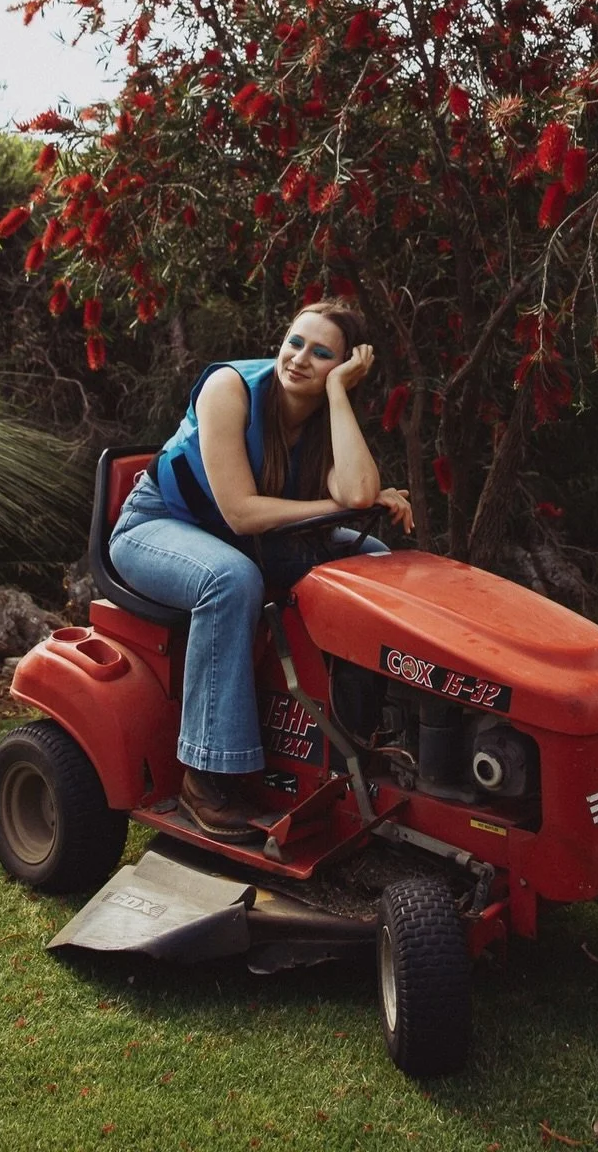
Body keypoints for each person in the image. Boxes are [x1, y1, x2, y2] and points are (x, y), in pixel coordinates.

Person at [108, 302, 414, 840]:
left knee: (375, 562)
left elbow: (359, 493)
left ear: (344, 368)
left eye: (322, 354)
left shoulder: (326, 414)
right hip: (157, 525)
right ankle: (205, 777)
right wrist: (334, 507)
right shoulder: (230, 388)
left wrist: (337, 395)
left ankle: (358, 741)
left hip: (250, 540)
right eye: (295, 342)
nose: (299, 359)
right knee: (229, 580)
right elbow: (241, 513)